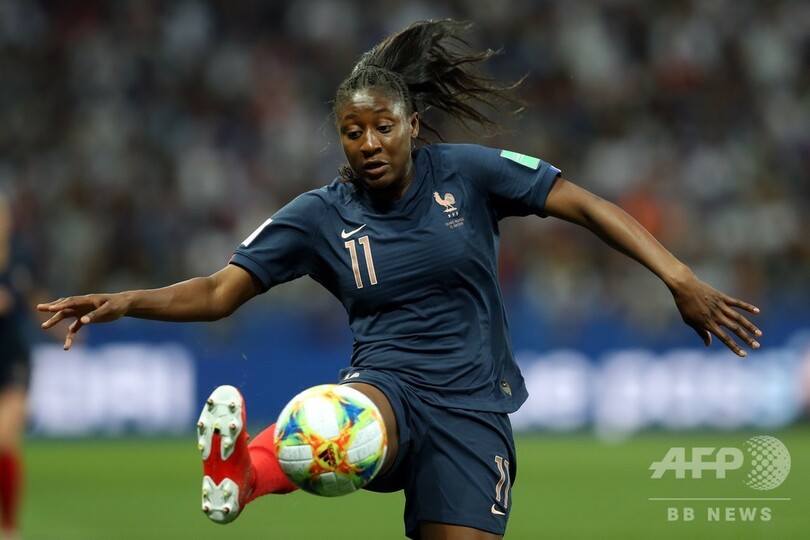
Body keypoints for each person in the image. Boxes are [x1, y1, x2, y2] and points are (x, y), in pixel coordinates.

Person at [37, 19, 762, 540]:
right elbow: (218, 291)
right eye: (353, 132)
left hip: (473, 412)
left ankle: (250, 471)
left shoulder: (469, 174)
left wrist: (679, 278)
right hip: (387, 389)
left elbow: (583, 203)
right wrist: (124, 301)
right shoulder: (321, 214)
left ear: (413, 124)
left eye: (382, 127)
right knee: (336, 424)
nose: (369, 144)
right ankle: (242, 477)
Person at [0, 193, 33, 540]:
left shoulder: (18, 262)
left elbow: (34, 298)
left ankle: (9, 529)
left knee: (4, 441)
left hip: (13, 364)